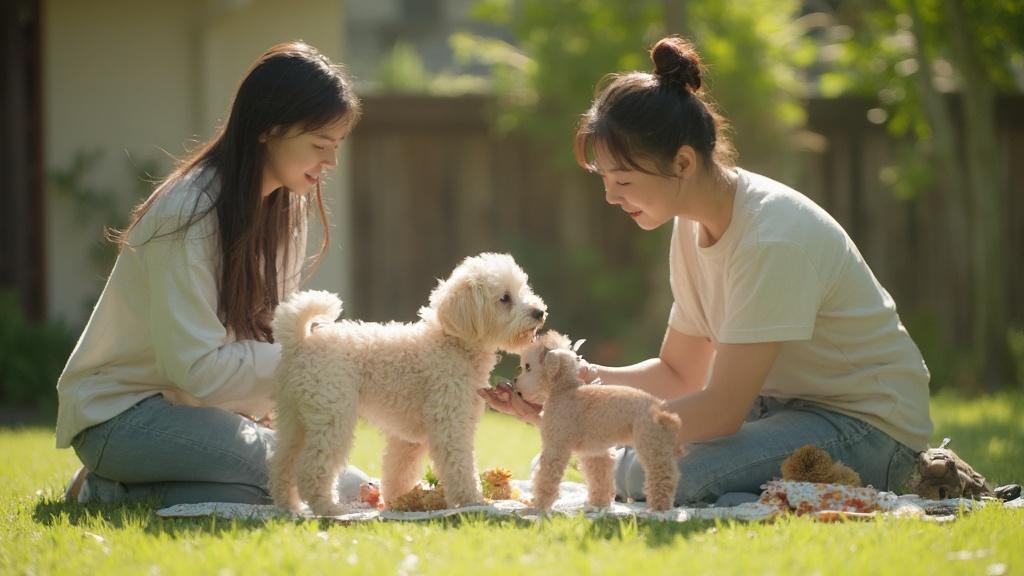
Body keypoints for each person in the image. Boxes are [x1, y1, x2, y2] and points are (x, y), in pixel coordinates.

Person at [480, 36, 932, 506]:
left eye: (624, 180)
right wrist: (570, 388)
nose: (611, 196)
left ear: (682, 163)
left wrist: (595, 426)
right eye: (606, 181)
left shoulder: (769, 239)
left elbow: (721, 409)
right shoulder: (691, 227)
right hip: (782, 408)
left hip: (868, 427)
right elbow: (679, 373)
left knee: (655, 472)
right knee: (629, 462)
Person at [57, 41, 369, 506]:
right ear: (268, 129)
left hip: (200, 414)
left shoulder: (287, 206)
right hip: (121, 416)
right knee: (335, 485)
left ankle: (112, 490)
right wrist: (317, 356)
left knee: (327, 484)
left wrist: (289, 389)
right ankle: (107, 481)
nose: (331, 162)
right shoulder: (188, 212)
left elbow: (271, 335)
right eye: (320, 145)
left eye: (336, 146)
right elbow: (199, 369)